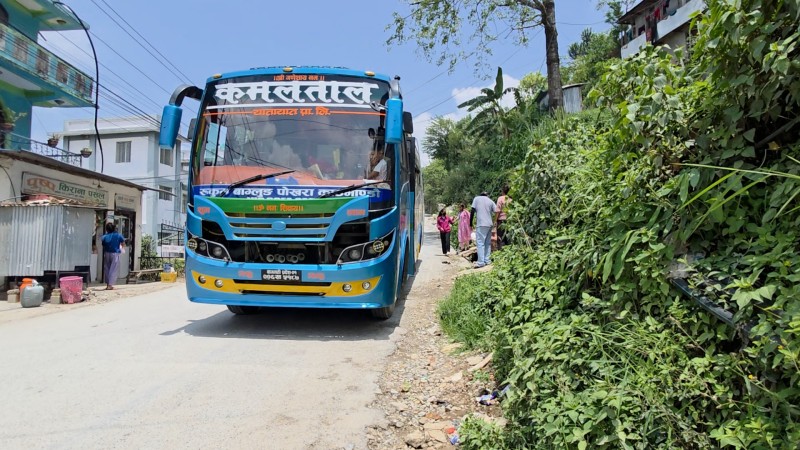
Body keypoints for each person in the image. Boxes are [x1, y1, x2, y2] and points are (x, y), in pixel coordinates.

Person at [471, 191, 497, 268]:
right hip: (489, 224)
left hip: (481, 224)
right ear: (487, 195)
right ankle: (487, 260)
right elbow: (496, 211)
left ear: (480, 195)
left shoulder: (476, 199)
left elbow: (472, 211)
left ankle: (481, 262)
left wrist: (470, 223)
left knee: (480, 243)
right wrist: (494, 221)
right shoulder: (490, 201)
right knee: (487, 243)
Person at [101, 222, 125, 290]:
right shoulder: (118, 235)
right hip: (115, 253)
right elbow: (123, 243)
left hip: (107, 253)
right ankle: (110, 285)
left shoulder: (104, 236)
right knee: (113, 269)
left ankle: (108, 284)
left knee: (107, 269)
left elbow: (103, 244)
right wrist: (121, 248)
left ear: (107, 229)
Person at [496, 185, 511, 249]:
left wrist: (495, 220)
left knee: (501, 238)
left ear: (503, 191)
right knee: (508, 238)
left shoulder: (500, 198)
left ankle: (501, 252)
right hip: (509, 220)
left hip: (501, 221)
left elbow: (498, 211)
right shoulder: (511, 199)